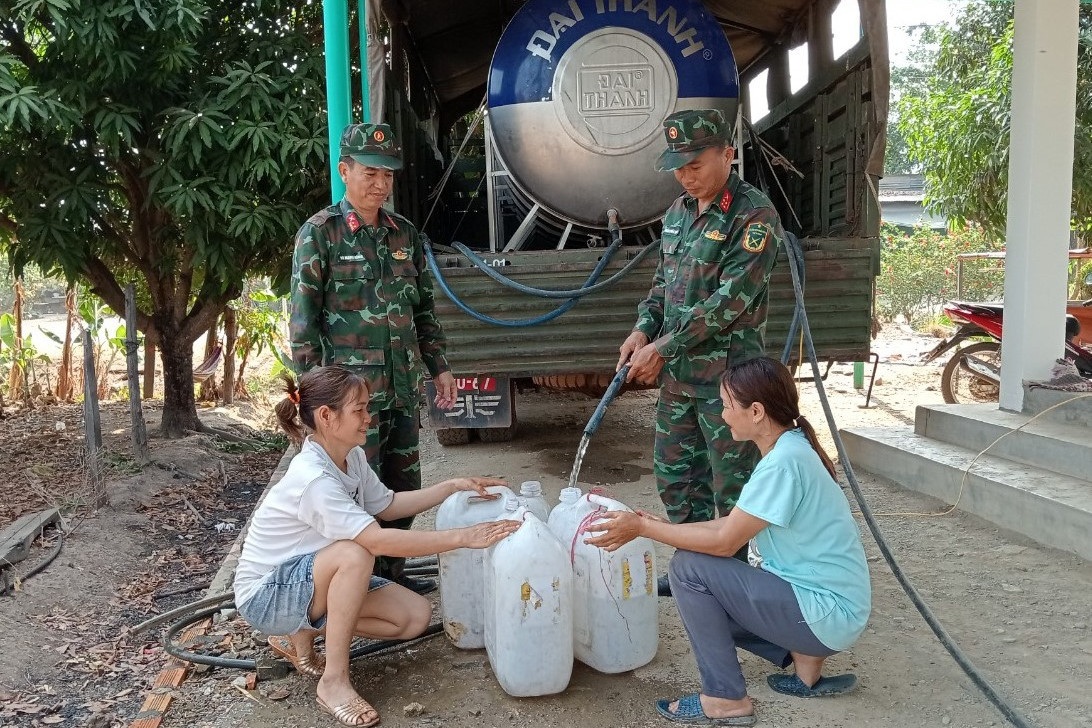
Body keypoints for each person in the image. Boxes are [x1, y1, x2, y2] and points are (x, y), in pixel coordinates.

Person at [587, 357, 871, 725]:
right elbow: (731, 525)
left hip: (826, 614)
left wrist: (642, 529)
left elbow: (724, 542)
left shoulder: (783, 465)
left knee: (688, 570)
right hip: (833, 609)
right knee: (700, 563)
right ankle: (806, 666)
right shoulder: (793, 448)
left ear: (756, 411)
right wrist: (659, 526)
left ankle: (725, 698)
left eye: (726, 405)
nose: (722, 416)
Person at [233, 365, 518, 728]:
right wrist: (464, 537)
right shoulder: (314, 479)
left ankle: (303, 631)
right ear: (326, 416)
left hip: (309, 581)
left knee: (414, 617)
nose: (369, 418)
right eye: (359, 410)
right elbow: (378, 540)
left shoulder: (348, 456)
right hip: (266, 596)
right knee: (356, 552)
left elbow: (387, 505)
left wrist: (453, 486)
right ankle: (333, 682)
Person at [617, 108, 785, 595]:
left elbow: (729, 303)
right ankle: (694, 571)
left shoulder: (753, 215)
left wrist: (663, 347)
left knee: (733, 484)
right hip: (679, 379)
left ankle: (734, 582)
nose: (685, 177)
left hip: (729, 386)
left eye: (694, 165)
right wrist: (642, 331)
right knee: (677, 478)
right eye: (677, 167)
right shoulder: (677, 213)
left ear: (727, 154)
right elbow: (661, 287)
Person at [289, 122, 458, 594]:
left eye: (388, 175)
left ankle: (393, 582)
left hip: (401, 391)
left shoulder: (405, 235)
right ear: (345, 171)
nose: (381, 184)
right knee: (353, 496)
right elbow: (303, 327)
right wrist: (315, 405)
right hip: (349, 403)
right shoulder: (320, 234)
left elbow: (424, 310)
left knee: (401, 490)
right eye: (370, 172)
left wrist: (439, 366)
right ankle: (358, 588)